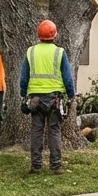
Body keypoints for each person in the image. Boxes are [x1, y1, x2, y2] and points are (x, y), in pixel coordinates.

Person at [18, 19, 75, 174]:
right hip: (55, 99)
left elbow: (24, 78)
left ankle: (36, 165)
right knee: (54, 130)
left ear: (39, 35)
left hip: (35, 98)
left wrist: (23, 95)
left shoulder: (31, 52)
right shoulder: (59, 52)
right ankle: (56, 166)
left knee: (36, 131)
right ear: (54, 35)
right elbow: (68, 78)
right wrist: (71, 96)